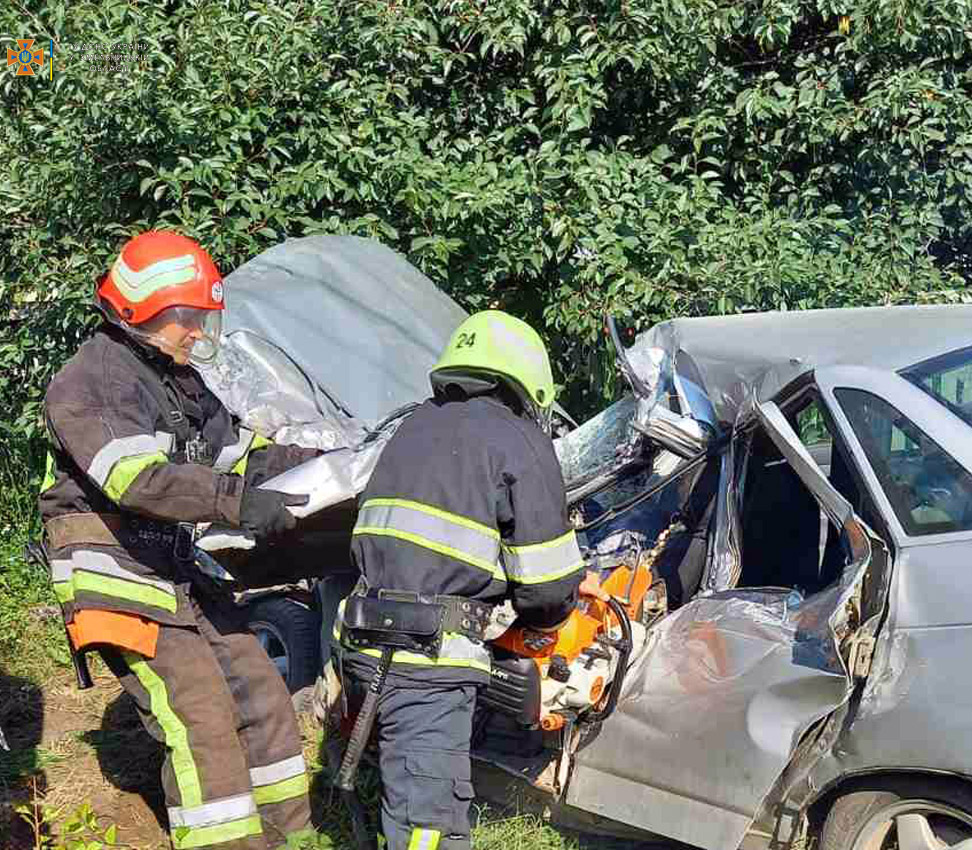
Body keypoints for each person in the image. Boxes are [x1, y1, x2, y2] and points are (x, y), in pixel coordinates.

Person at [39, 231, 317, 850]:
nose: (197, 332)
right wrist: (237, 503)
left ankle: (290, 841)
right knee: (203, 721)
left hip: (176, 570)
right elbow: (138, 481)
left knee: (264, 697)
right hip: (117, 573)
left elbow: (243, 455)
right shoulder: (94, 379)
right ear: (141, 311)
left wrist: (331, 464)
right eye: (187, 317)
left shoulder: (180, 382)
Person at [336, 310, 606, 850]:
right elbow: (548, 587)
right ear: (530, 382)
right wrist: (550, 619)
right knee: (429, 825)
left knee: (400, 792)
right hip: (426, 662)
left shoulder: (413, 426)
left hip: (363, 644)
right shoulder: (517, 439)